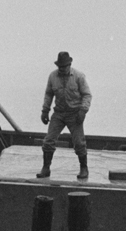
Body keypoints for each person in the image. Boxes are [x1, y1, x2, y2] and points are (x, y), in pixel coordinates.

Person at [37, 51, 93, 181]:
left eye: (64, 66)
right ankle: (46, 168)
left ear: (70, 64)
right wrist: (45, 110)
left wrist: (83, 111)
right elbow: (49, 94)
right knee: (48, 140)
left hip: (75, 114)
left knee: (79, 143)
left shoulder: (79, 76)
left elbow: (87, 95)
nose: (62, 69)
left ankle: (84, 168)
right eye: (60, 66)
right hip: (59, 114)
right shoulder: (52, 76)